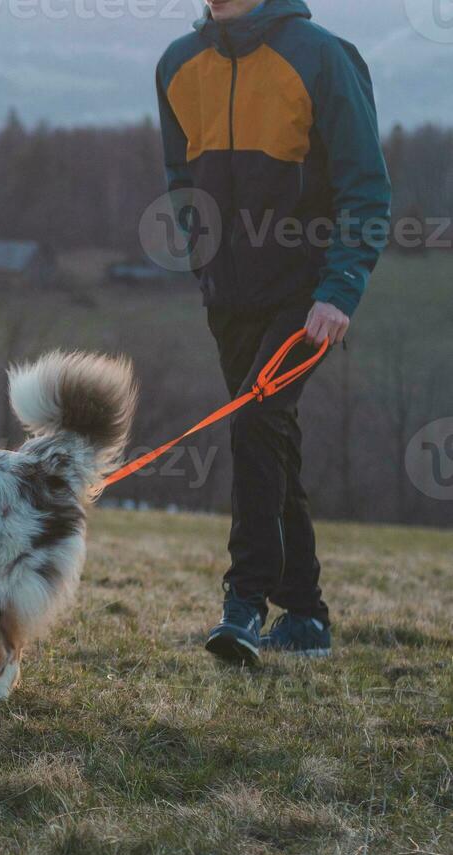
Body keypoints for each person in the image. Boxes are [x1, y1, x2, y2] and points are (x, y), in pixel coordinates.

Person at [155, 0, 391, 664]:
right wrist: (202, 254)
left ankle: (244, 605)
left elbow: (366, 186)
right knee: (270, 438)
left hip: (307, 292)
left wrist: (339, 289)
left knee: (255, 422)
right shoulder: (177, 63)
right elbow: (182, 180)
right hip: (228, 292)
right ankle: (307, 617)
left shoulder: (321, 54)